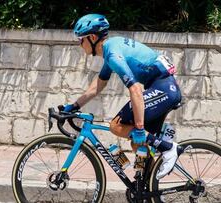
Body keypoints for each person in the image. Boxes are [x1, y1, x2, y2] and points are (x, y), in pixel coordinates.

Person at [62, 14, 182, 179]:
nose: (79, 44)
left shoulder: (112, 55)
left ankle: (168, 148)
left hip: (163, 88)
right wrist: (73, 106)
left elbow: (135, 90)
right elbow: (99, 85)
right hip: (163, 87)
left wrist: (140, 128)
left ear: (92, 37)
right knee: (137, 143)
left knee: (116, 125)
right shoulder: (111, 49)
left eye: (80, 39)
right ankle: (146, 185)